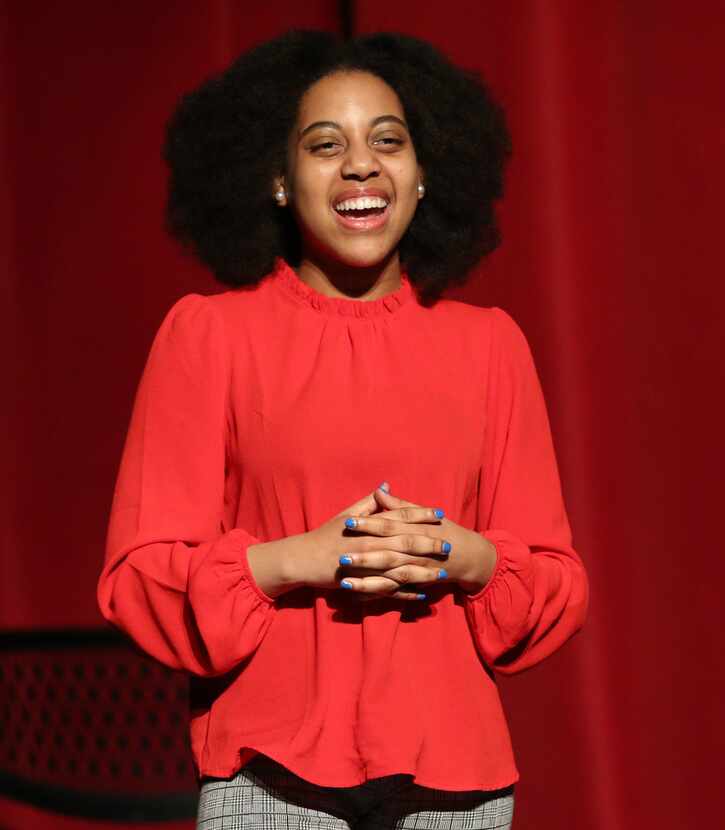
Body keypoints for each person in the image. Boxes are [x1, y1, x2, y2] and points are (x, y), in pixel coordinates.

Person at [97, 29, 589, 830]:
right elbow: (140, 577)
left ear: (424, 175)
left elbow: (556, 579)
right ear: (279, 181)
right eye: (325, 145)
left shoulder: (489, 344)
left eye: (387, 142)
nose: (361, 164)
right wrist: (303, 558)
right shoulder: (208, 336)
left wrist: (462, 554)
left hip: (456, 784)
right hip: (270, 777)